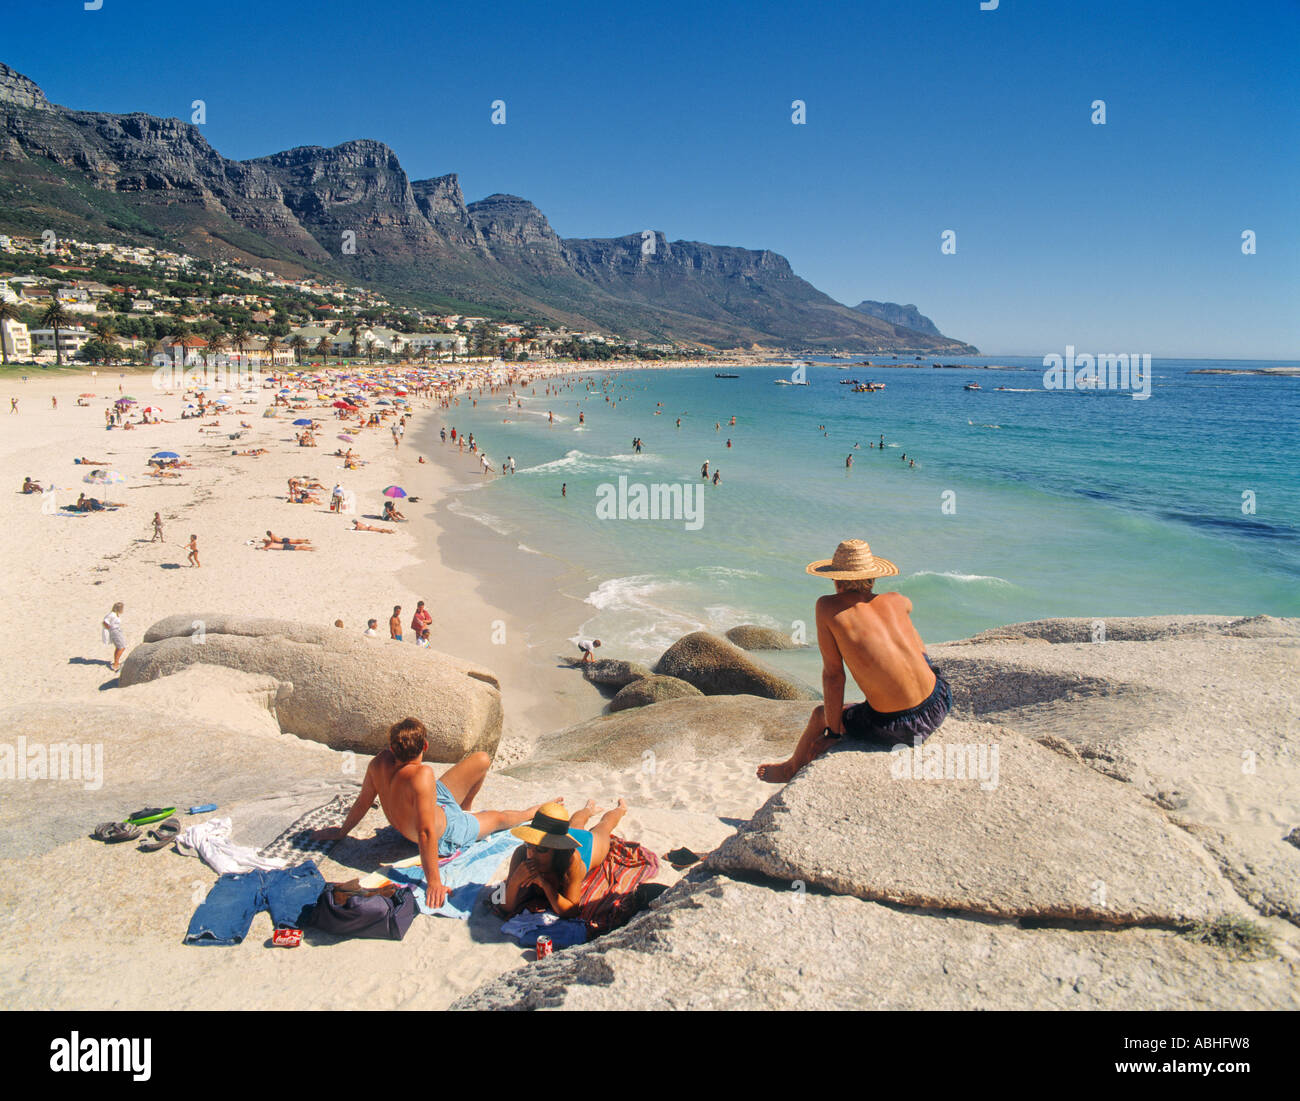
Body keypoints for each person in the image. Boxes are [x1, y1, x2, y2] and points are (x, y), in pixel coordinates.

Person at [758, 539, 951, 784]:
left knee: (820, 714)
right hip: (939, 699)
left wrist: (833, 732)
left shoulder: (827, 607)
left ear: (835, 579)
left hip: (901, 727)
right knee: (915, 646)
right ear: (873, 578)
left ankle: (790, 768)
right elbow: (907, 605)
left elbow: (834, 676)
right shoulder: (896, 599)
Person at [309, 718, 547, 909]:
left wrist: (342, 832)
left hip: (433, 804)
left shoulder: (379, 762)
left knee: (482, 759)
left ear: (391, 747)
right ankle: (530, 812)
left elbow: (362, 802)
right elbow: (425, 833)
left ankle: (467, 808)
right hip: (447, 832)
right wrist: (434, 882)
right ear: (425, 746)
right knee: (499, 819)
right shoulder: (422, 775)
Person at [498, 798, 629, 919]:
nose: (532, 854)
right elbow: (505, 907)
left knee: (604, 826)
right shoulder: (521, 854)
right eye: (529, 845)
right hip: (560, 835)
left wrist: (545, 885)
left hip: (587, 849)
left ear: (556, 849)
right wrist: (514, 882)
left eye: (541, 849)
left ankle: (621, 809)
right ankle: (588, 809)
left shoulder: (571, 860)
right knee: (576, 823)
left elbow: (571, 911)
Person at [103, 602, 127, 671]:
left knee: (120, 646)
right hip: (115, 631)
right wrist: (110, 629)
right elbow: (105, 622)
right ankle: (116, 664)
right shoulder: (112, 615)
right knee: (121, 647)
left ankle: (116, 662)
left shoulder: (116, 614)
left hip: (117, 630)